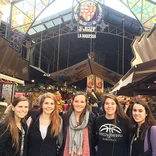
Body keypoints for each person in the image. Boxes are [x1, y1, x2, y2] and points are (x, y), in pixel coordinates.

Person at [62, 91, 96, 156]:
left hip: (86, 153)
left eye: (82, 102)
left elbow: (94, 137)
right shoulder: (66, 116)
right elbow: (62, 136)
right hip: (68, 153)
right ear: (72, 102)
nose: (79, 104)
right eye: (76, 101)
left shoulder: (91, 117)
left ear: (86, 103)